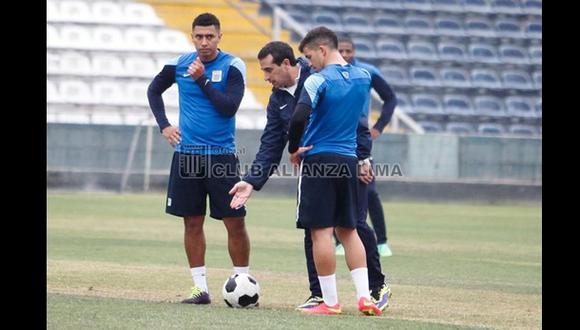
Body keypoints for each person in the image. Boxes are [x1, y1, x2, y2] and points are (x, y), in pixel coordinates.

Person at [228, 40, 392, 313]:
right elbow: (270, 145)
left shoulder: (318, 76)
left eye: (269, 71)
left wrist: (364, 157)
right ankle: (319, 294)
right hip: (319, 166)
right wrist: (251, 181)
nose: (266, 78)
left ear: (286, 64)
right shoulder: (278, 100)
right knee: (316, 228)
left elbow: (358, 122)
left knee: (353, 225)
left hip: (343, 160)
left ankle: (377, 287)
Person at [147, 12, 251, 305]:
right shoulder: (179, 64)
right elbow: (154, 90)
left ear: (220, 37)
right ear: (192, 37)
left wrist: (202, 80)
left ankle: (243, 282)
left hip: (221, 157)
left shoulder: (232, 66)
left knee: (234, 222)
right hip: (187, 157)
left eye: (210, 36)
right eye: (199, 37)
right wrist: (164, 125)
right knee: (192, 223)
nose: (204, 42)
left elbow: (228, 107)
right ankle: (199, 289)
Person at [288, 26, 381, 316]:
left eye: (309, 56)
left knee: (321, 233)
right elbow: (360, 122)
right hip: (348, 160)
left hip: (319, 159)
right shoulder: (363, 78)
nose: (308, 63)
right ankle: (365, 297)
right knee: (349, 230)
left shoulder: (318, 80)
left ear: (323, 50)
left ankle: (330, 302)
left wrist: (294, 147)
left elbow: (299, 115)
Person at [334, 35, 397, 257]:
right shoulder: (327, 73)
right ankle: (340, 241)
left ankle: (381, 241)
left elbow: (390, 98)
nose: (344, 55)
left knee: (368, 191)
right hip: (335, 138)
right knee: (336, 189)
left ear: (354, 52)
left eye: (348, 51)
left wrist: (378, 127)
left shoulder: (367, 72)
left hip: (360, 138)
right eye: (340, 50)